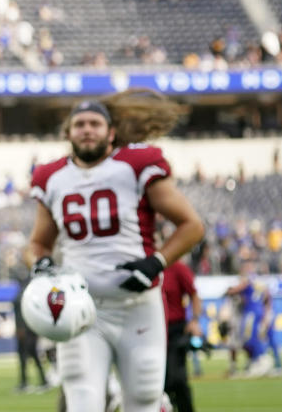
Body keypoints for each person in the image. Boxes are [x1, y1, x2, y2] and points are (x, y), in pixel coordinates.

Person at [26, 91, 205, 412]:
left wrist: (157, 261)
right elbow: (38, 243)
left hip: (138, 305)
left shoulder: (135, 166)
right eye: (79, 123)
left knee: (144, 399)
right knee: (82, 401)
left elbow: (192, 226)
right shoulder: (52, 177)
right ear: (67, 133)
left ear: (111, 132)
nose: (86, 129)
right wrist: (41, 265)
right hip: (83, 310)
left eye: (95, 123)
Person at [161, 257, 201, 412]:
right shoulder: (147, 267)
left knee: (177, 378)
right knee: (159, 380)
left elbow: (194, 295)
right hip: (153, 331)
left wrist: (195, 320)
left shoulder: (177, 267)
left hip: (176, 329)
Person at [225, 263, 280, 377]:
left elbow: (235, 290)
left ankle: (260, 360)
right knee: (255, 337)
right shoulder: (260, 283)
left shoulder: (248, 281)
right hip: (258, 310)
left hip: (251, 313)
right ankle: (261, 360)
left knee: (249, 337)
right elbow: (267, 296)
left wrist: (229, 291)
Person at [13, 279, 48, 394]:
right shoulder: (32, 296)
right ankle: (31, 382)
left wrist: (21, 329)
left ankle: (32, 382)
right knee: (27, 358)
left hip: (27, 332)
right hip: (29, 331)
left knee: (27, 357)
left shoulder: (24, 296)